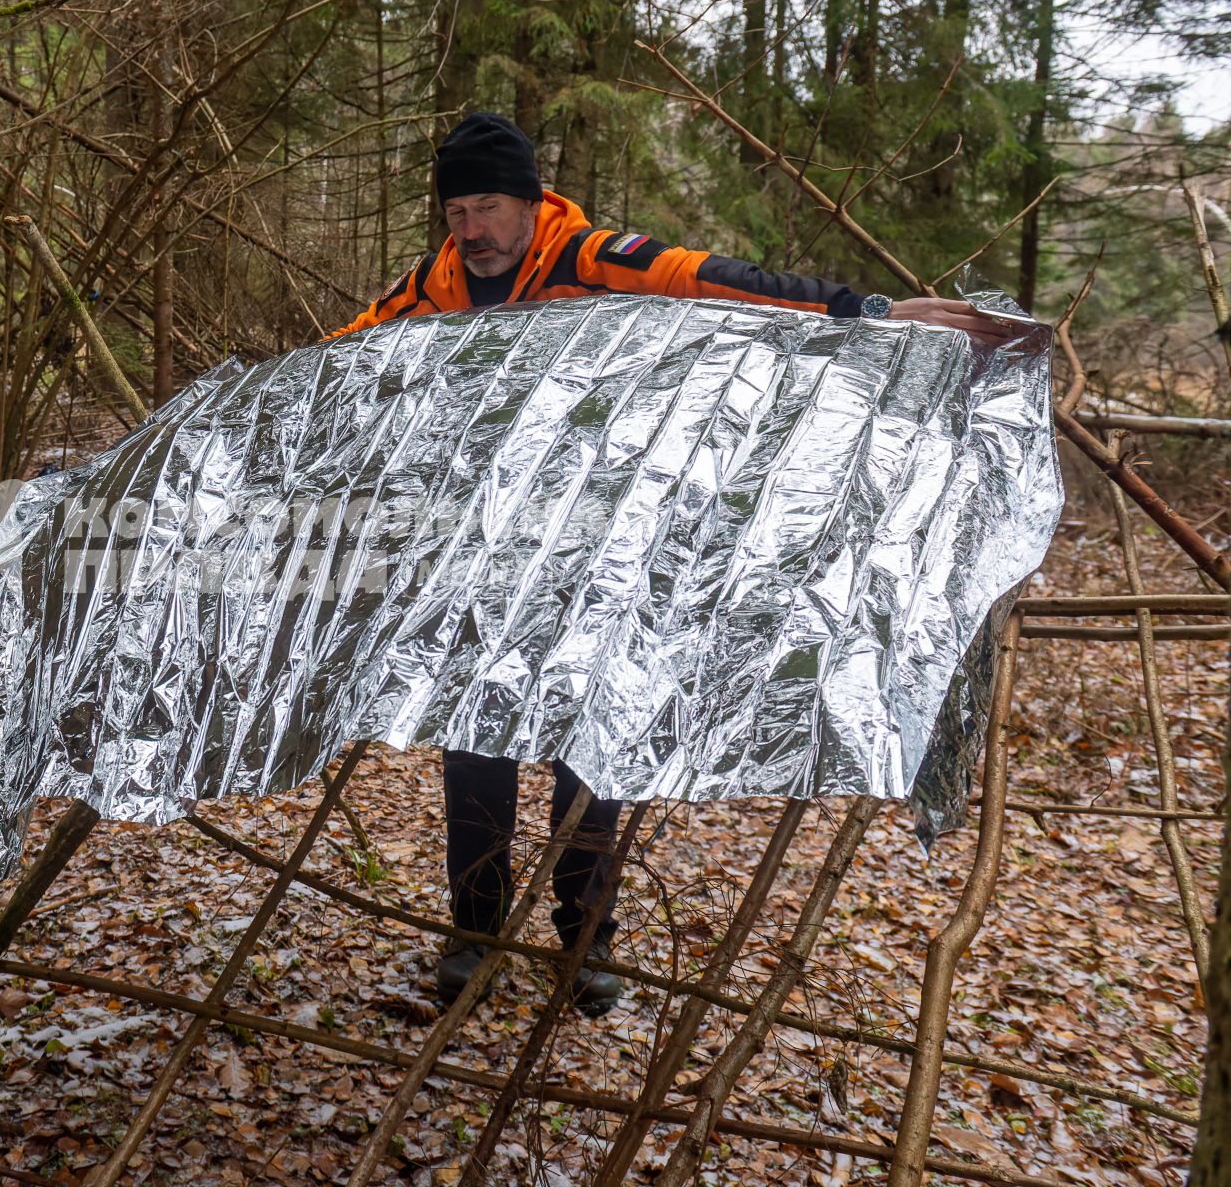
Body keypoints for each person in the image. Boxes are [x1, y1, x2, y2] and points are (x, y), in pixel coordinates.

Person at [328, 111, 1011, 1014]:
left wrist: (872, 315)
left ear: (530, 204)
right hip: (486, 560)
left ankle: (587, 944)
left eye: (487, 207)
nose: (471, 230)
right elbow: (335, 364)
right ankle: (476, 930)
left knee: (589, 743)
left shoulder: (593, 259)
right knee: (475, 737)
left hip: (599, 554)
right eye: (456, 212)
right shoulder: (437, 284)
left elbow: (724, 284)